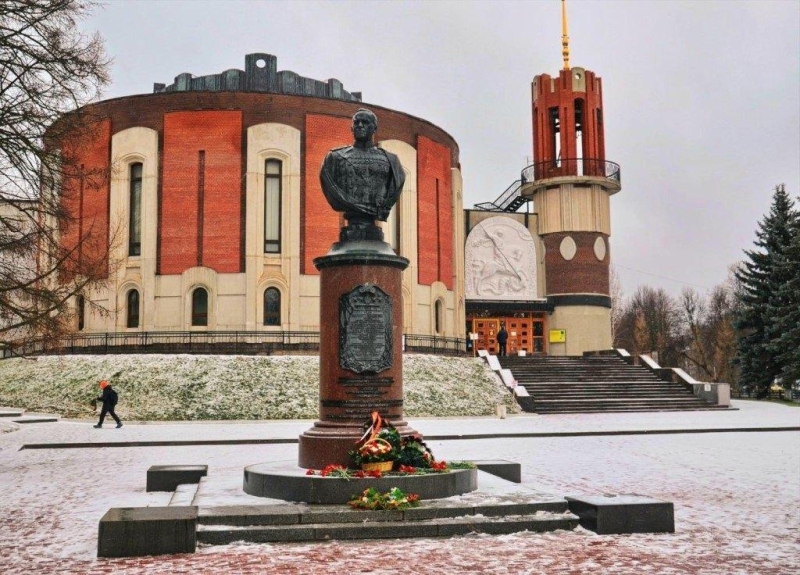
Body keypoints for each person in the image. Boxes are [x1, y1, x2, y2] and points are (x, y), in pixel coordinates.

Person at [319, 108, 405, 239]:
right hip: (349, 232)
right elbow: (330, 187)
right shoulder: (335, 157)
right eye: (356, 122)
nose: (359, 125)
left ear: (375, 128)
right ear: (351, 128)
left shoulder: (391, 161)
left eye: (365, 122)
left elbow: (396, 187)